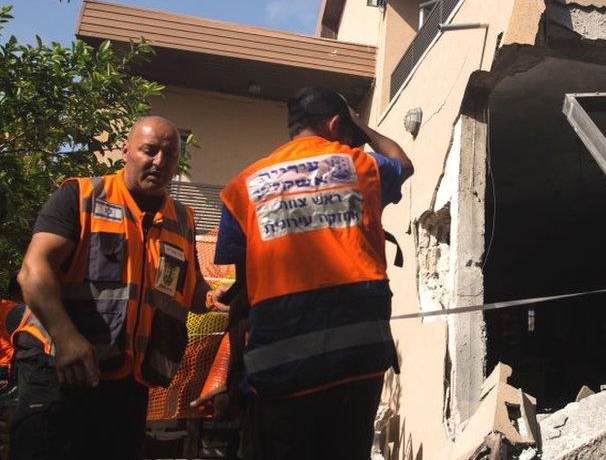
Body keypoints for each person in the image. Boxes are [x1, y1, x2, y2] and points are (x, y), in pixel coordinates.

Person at [215, 87, 413, 459]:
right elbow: (403, 161)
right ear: (336, 124)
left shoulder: (242, 187)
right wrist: (363, 127)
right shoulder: (360, 166)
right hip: (355, 362)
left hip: (279, 369)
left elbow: (244, 289)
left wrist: (231, 378)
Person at [13, 115, 220, 459]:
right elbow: (33, 272)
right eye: (149, 151)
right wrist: (66, 338)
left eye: (169, 155)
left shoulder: (183, 219)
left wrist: (214, 297)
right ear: (126, 150)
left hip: (128, 381)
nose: (159, 162)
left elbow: (190, 290)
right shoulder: (81, 196)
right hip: (60, 370)